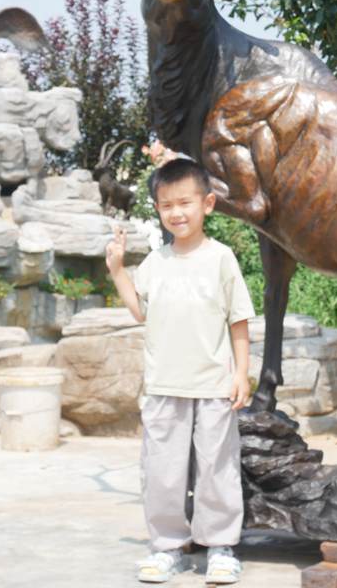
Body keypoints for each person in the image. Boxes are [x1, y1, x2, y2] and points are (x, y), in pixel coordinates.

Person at [105, 157, 254, 584]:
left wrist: (241, 374)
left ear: (207, 203)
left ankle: (221, 547)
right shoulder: (156, 262)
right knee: (162, 471)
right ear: (158, 209)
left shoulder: (222, 259)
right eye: (166, 205)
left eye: (185, 202)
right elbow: (139, 311)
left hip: (213, 384)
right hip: (164, 383)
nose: (176, 213)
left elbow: (238, 321)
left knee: (217, 467)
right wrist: (117, 270)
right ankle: (168, 547)